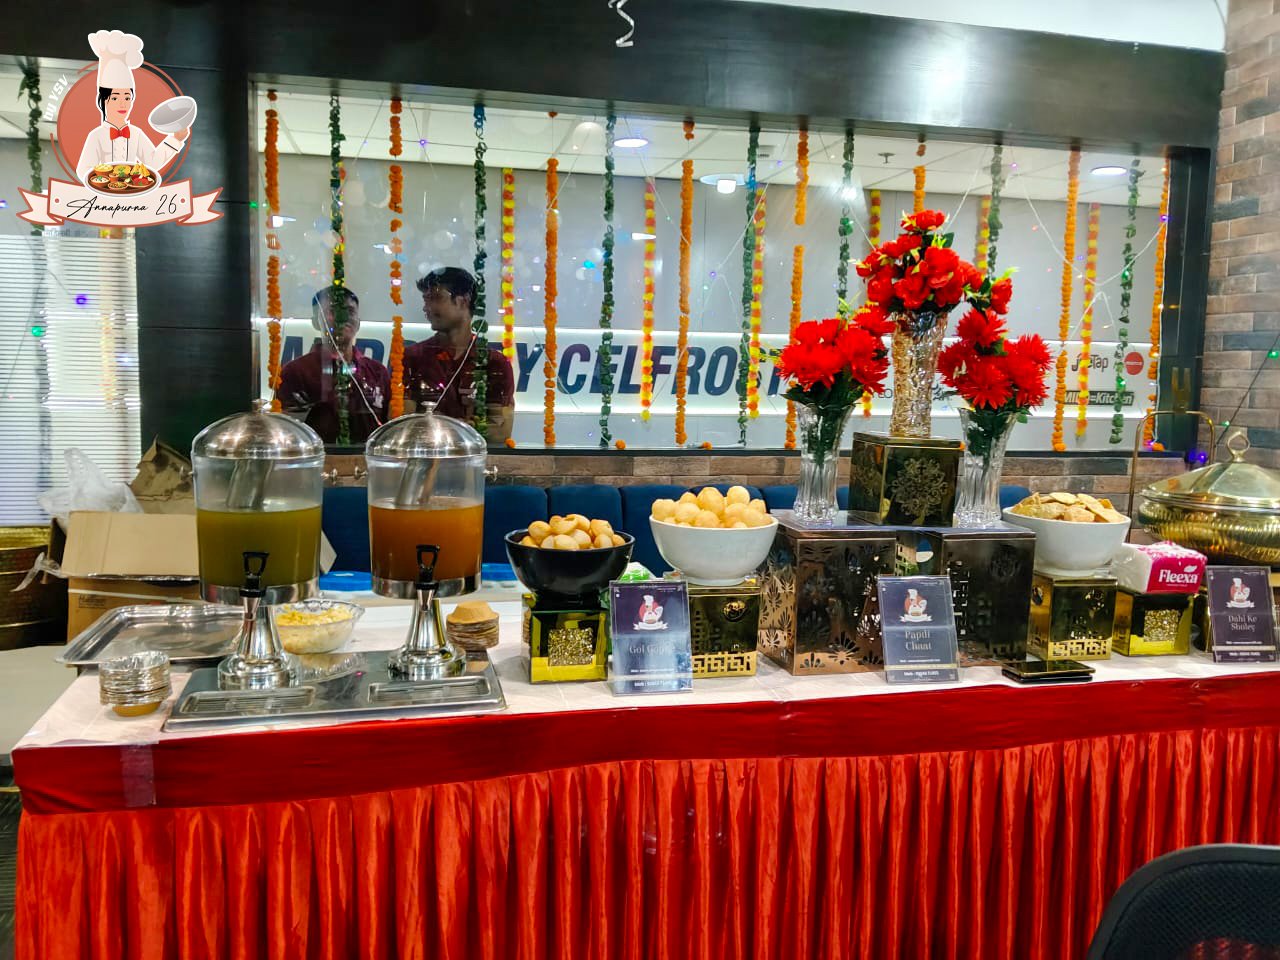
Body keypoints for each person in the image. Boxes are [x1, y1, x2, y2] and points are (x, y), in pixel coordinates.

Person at [402, 267, 515, 444]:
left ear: (463, 301)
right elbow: (402, 425)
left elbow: (502, 431)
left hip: (475, 461)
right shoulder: (412, 358)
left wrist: (451, 428)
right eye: (426, 299)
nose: (427, 308)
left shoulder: (495, 363)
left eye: (436, 298)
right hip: (424, 459)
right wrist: (461, 428)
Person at [276, 287, 390, 444]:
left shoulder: (377, 372)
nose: (342, 318)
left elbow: (387, 428)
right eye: (333, 311)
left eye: (349, 311)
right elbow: (288, 434)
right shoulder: (296, 372)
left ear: (358, 323)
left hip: (368, 458)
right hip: (317, 458)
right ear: (316, 322)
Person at [75, 30, 190, 184]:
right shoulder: (96, 136)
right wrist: (103, 181)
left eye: (127, 97)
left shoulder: (136, 133)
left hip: (132, 191)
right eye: (115, 97)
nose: (123, 103)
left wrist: (176, 139)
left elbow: (153, 162)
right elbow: (83, 170)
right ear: (103, 100)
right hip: (103, 194)